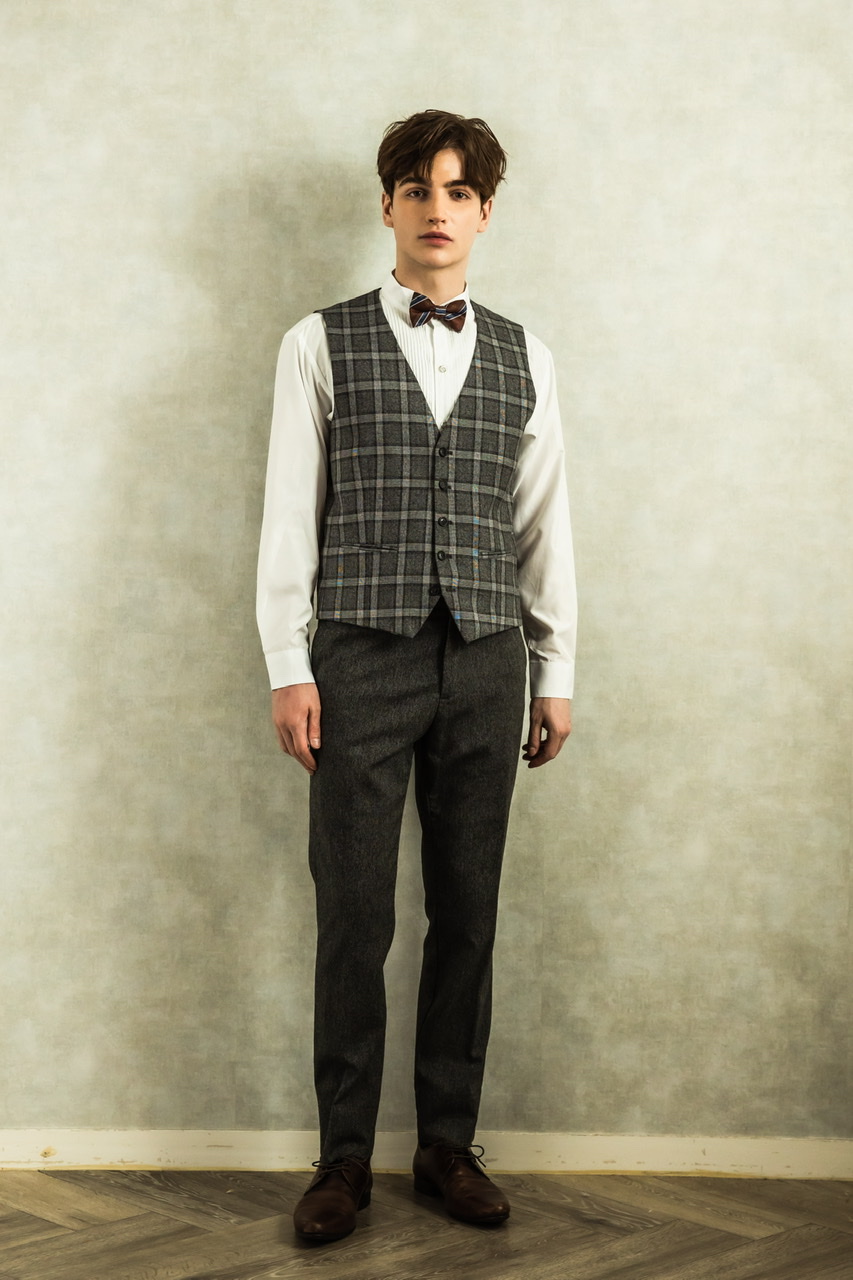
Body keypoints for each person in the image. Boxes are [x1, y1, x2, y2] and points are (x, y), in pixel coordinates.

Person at [256, 109, 577, 1243]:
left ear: (485, 213)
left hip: (487, 658)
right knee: (352, 914)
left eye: (458, 191)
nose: (437, 209)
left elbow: (542, 525)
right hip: (359, 654)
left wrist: (555, 669)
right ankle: (341, 1157)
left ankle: (447, 1143)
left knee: (468, 911)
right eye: (416, 189)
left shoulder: (527, 355)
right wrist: (288, 662)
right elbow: (288, 515)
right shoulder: (317, 342)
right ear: (387, 204)